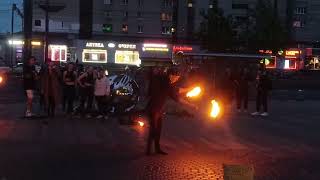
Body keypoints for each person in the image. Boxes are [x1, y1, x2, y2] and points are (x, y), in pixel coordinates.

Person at [146, 67, 197, 155]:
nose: (177, 79)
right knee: (154, 129)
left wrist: (190, 94)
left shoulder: (167, 82)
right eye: (176, 77)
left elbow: (176, 94)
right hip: (153, 109)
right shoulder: (165, 82)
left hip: (159, 110)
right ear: (171, 75)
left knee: (158, 129)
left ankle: (157, 149)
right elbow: (177, 94)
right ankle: (149, 151)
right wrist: (190, 100)